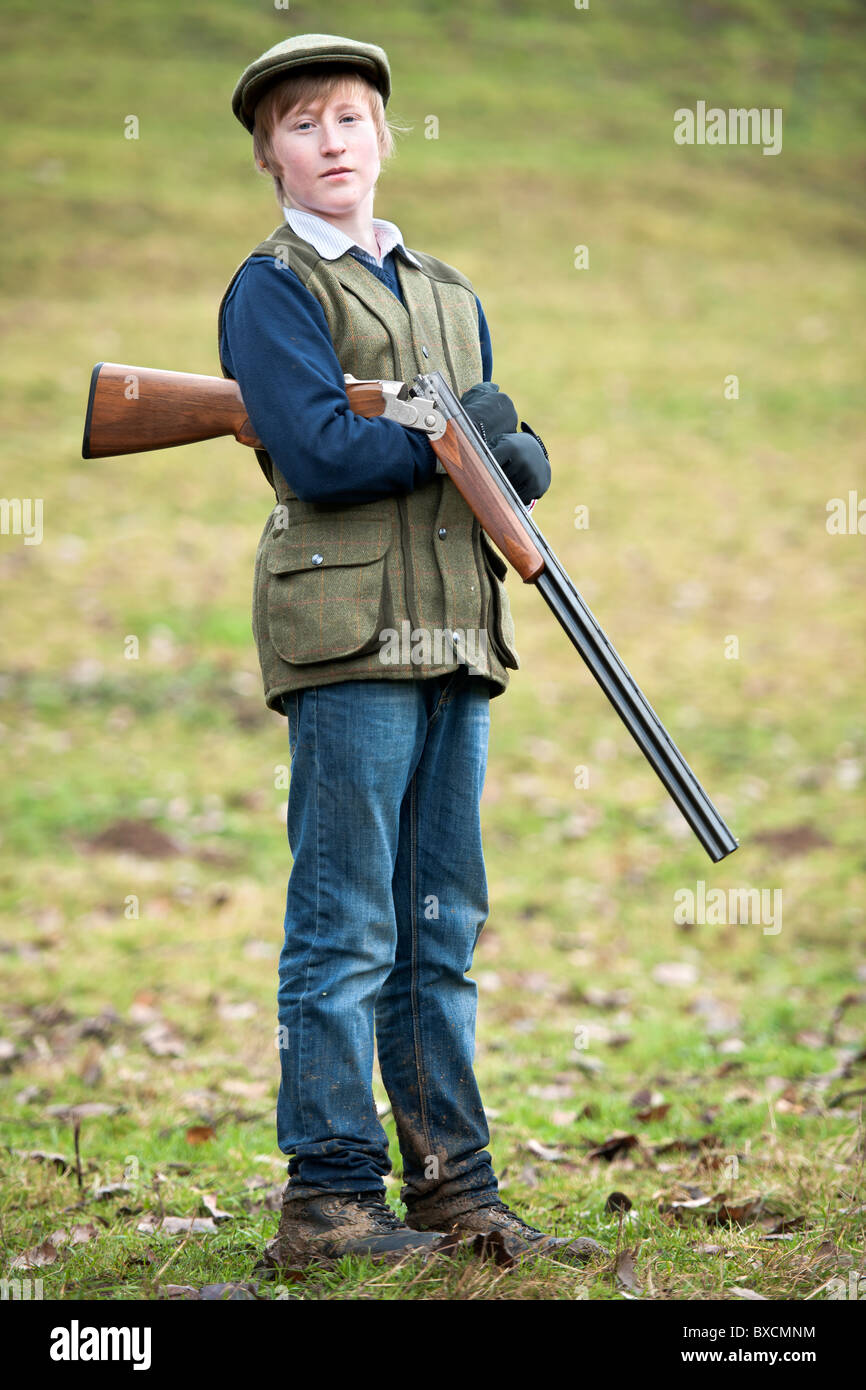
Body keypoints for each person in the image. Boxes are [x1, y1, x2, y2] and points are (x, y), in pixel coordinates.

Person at [219, 32, 605, 1270]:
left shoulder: (443, 286)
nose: (330, 142)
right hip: (349, 638)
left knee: (438, 929)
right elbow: (319, 451)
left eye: (348, 120)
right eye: (301, 125)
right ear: (268, 157)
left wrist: (509, 451)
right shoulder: (271, 285)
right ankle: (329, 1203)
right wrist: (448, 441)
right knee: (344, 928)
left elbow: (472, 436)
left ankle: (453, 1192)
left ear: (385, 138)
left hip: (456, 632)